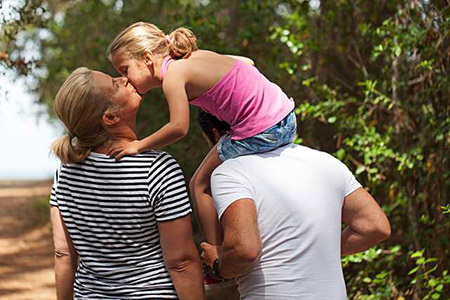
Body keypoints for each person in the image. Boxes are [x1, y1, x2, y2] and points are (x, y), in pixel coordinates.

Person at [106, 22, 296, 246]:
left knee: (199, 184)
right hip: (286, 114)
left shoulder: (173, 77)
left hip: (264, 130)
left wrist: (137, 146)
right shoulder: (193, 58)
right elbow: (247, 62)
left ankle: (215, 252)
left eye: (124, 70)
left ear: (147, 58)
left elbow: (179, 127)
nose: (125, 79)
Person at [197, 111, 391, 299]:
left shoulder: (231, 172)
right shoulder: (326, 162)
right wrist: (315, 249)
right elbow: (375, 227)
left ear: (215, 134)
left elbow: (245, 251)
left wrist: (218, 265)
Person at [50, 67, 205, 300]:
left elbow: (63, 254)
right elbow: (181, 262)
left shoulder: (66, 173)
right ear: (110, 117)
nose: (124, 78)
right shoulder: (158, 169)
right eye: (115, 84)